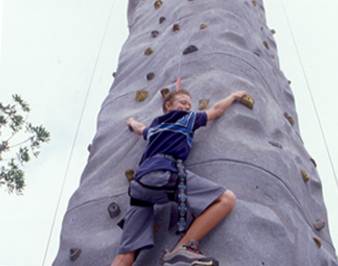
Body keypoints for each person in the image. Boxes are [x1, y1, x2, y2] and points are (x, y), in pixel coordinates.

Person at [111, 88, 247, 266]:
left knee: (126, 252)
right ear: (168, 105)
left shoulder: (154, 128)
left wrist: (130, 121)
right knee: (226, 199)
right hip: (163, 174)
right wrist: (233, 96)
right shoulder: (186, 119)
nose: (187, 107)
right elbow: (216, 110)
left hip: (139, 187)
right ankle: (182, 249)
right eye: (183, 102)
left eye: (189, 105)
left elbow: (139, 128)